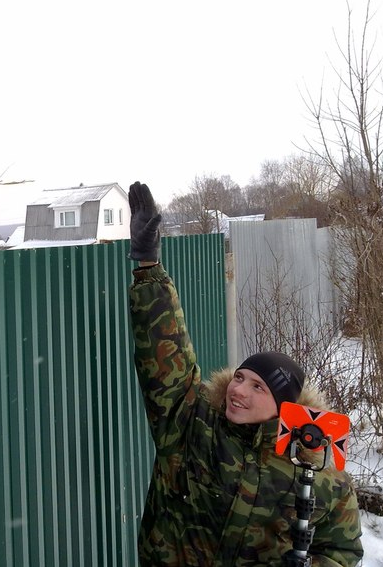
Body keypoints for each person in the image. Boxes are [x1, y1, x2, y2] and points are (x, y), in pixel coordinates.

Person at [127, 180, 363, 566]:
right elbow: (164, 353)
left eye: (258, 387)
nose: (240, 391)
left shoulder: (315, 470)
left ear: (284, 406)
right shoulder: (192, 426)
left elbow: (343, 549)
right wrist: (148, 265)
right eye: (240, 378)